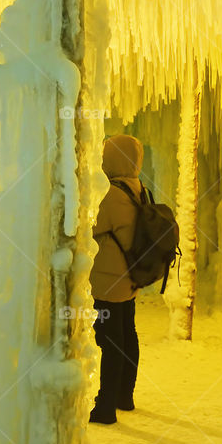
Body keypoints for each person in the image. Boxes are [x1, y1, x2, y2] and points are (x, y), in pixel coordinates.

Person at [89, 134, 145, 424]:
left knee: (110, 342)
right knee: (127, 334)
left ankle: (105, 406)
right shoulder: (137, 187)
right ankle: (125, 394)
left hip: (109, 281)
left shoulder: (111, 193)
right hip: (129, 277)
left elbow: (90, 225)